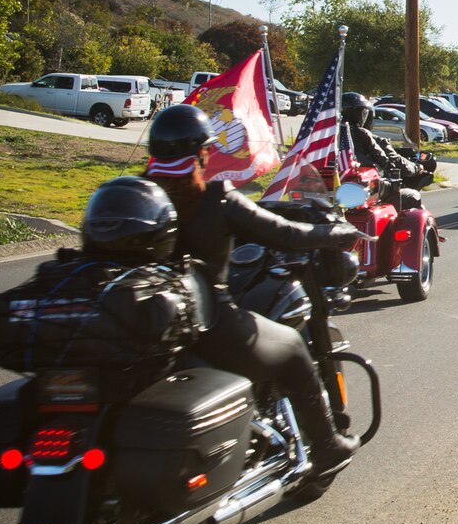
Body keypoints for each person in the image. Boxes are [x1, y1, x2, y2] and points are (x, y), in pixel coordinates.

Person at [138, 104, 363, 475]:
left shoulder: (138, 193)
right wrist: (336, 233)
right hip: (206, 324)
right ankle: (326, 447)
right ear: (203, 153)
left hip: (145, 322)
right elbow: (285, 235)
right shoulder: (214, 198)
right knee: (291, 348)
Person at [341, 92, 432, 209]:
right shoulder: (362, 134)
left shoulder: (325, 136)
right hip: (364, 187)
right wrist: (393, 168)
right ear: (356, 113)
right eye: (362, 112)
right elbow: (383, 158)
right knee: (413, 195)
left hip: (337, 188)